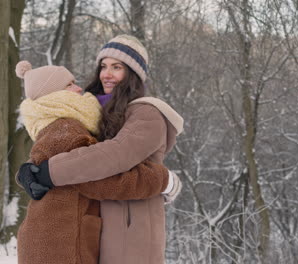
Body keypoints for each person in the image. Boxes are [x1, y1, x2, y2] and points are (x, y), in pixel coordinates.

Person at [17, 35, 184, 264]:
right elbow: (68, 149)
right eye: (103, 66)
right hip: (100, 224)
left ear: (133, 74)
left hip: (132, 225)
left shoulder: (146, 113)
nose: (107, 74)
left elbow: (114, 154)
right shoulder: (91, 113)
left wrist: (47, 172)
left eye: (117, 67)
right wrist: (31, 168)